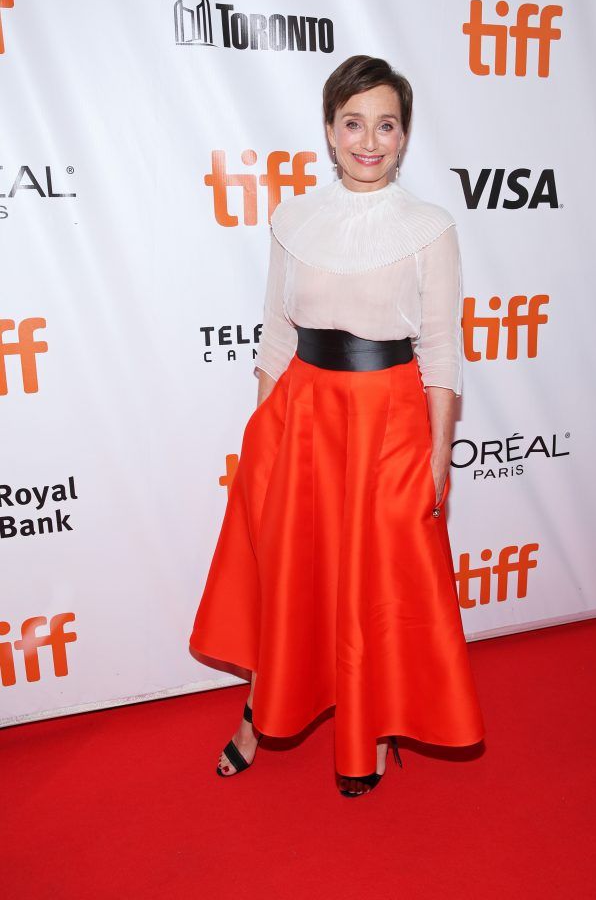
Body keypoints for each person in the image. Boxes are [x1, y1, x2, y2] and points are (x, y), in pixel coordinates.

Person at [189, 55, 485, 797]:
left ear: (404, 135)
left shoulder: (428, 226)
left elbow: (441, 349)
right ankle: (261, 712)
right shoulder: (293, 217)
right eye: (353, 123)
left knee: (373, 588)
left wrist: (437, 459)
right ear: (328, 130)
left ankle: (370, 732)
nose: (368, 140)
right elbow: (274, 333)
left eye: (385, 124)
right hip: (299, 421)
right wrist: (263, 436)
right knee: (285, 579)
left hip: (387, 425)